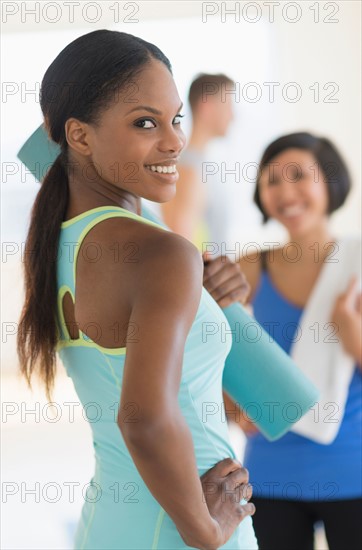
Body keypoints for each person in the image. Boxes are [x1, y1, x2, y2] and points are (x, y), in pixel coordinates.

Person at [16, 30, 258, 549]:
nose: (174, 141)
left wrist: (211, 300)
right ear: (78, 135)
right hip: (184, 523)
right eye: (145, 123)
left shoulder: (59, 239)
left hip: (111, 523)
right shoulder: (160, 253)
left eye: (176, 119)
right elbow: (144, 418)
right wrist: (207, 530)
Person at [224, 132, 362, 550]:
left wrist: (350, 330)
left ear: (330, 183)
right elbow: (199, 344)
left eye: (300, 175)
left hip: (353, 470)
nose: (285, 192)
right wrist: (232, 403)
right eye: (272, 180)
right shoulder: (249, 268)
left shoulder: (358, 262)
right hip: (271, 472)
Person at [160, 73, 235, 249]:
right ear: (207, 106)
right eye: (229, 106)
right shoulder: (189, 171)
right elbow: (183, 243)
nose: (232, 116)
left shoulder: (196, 166)